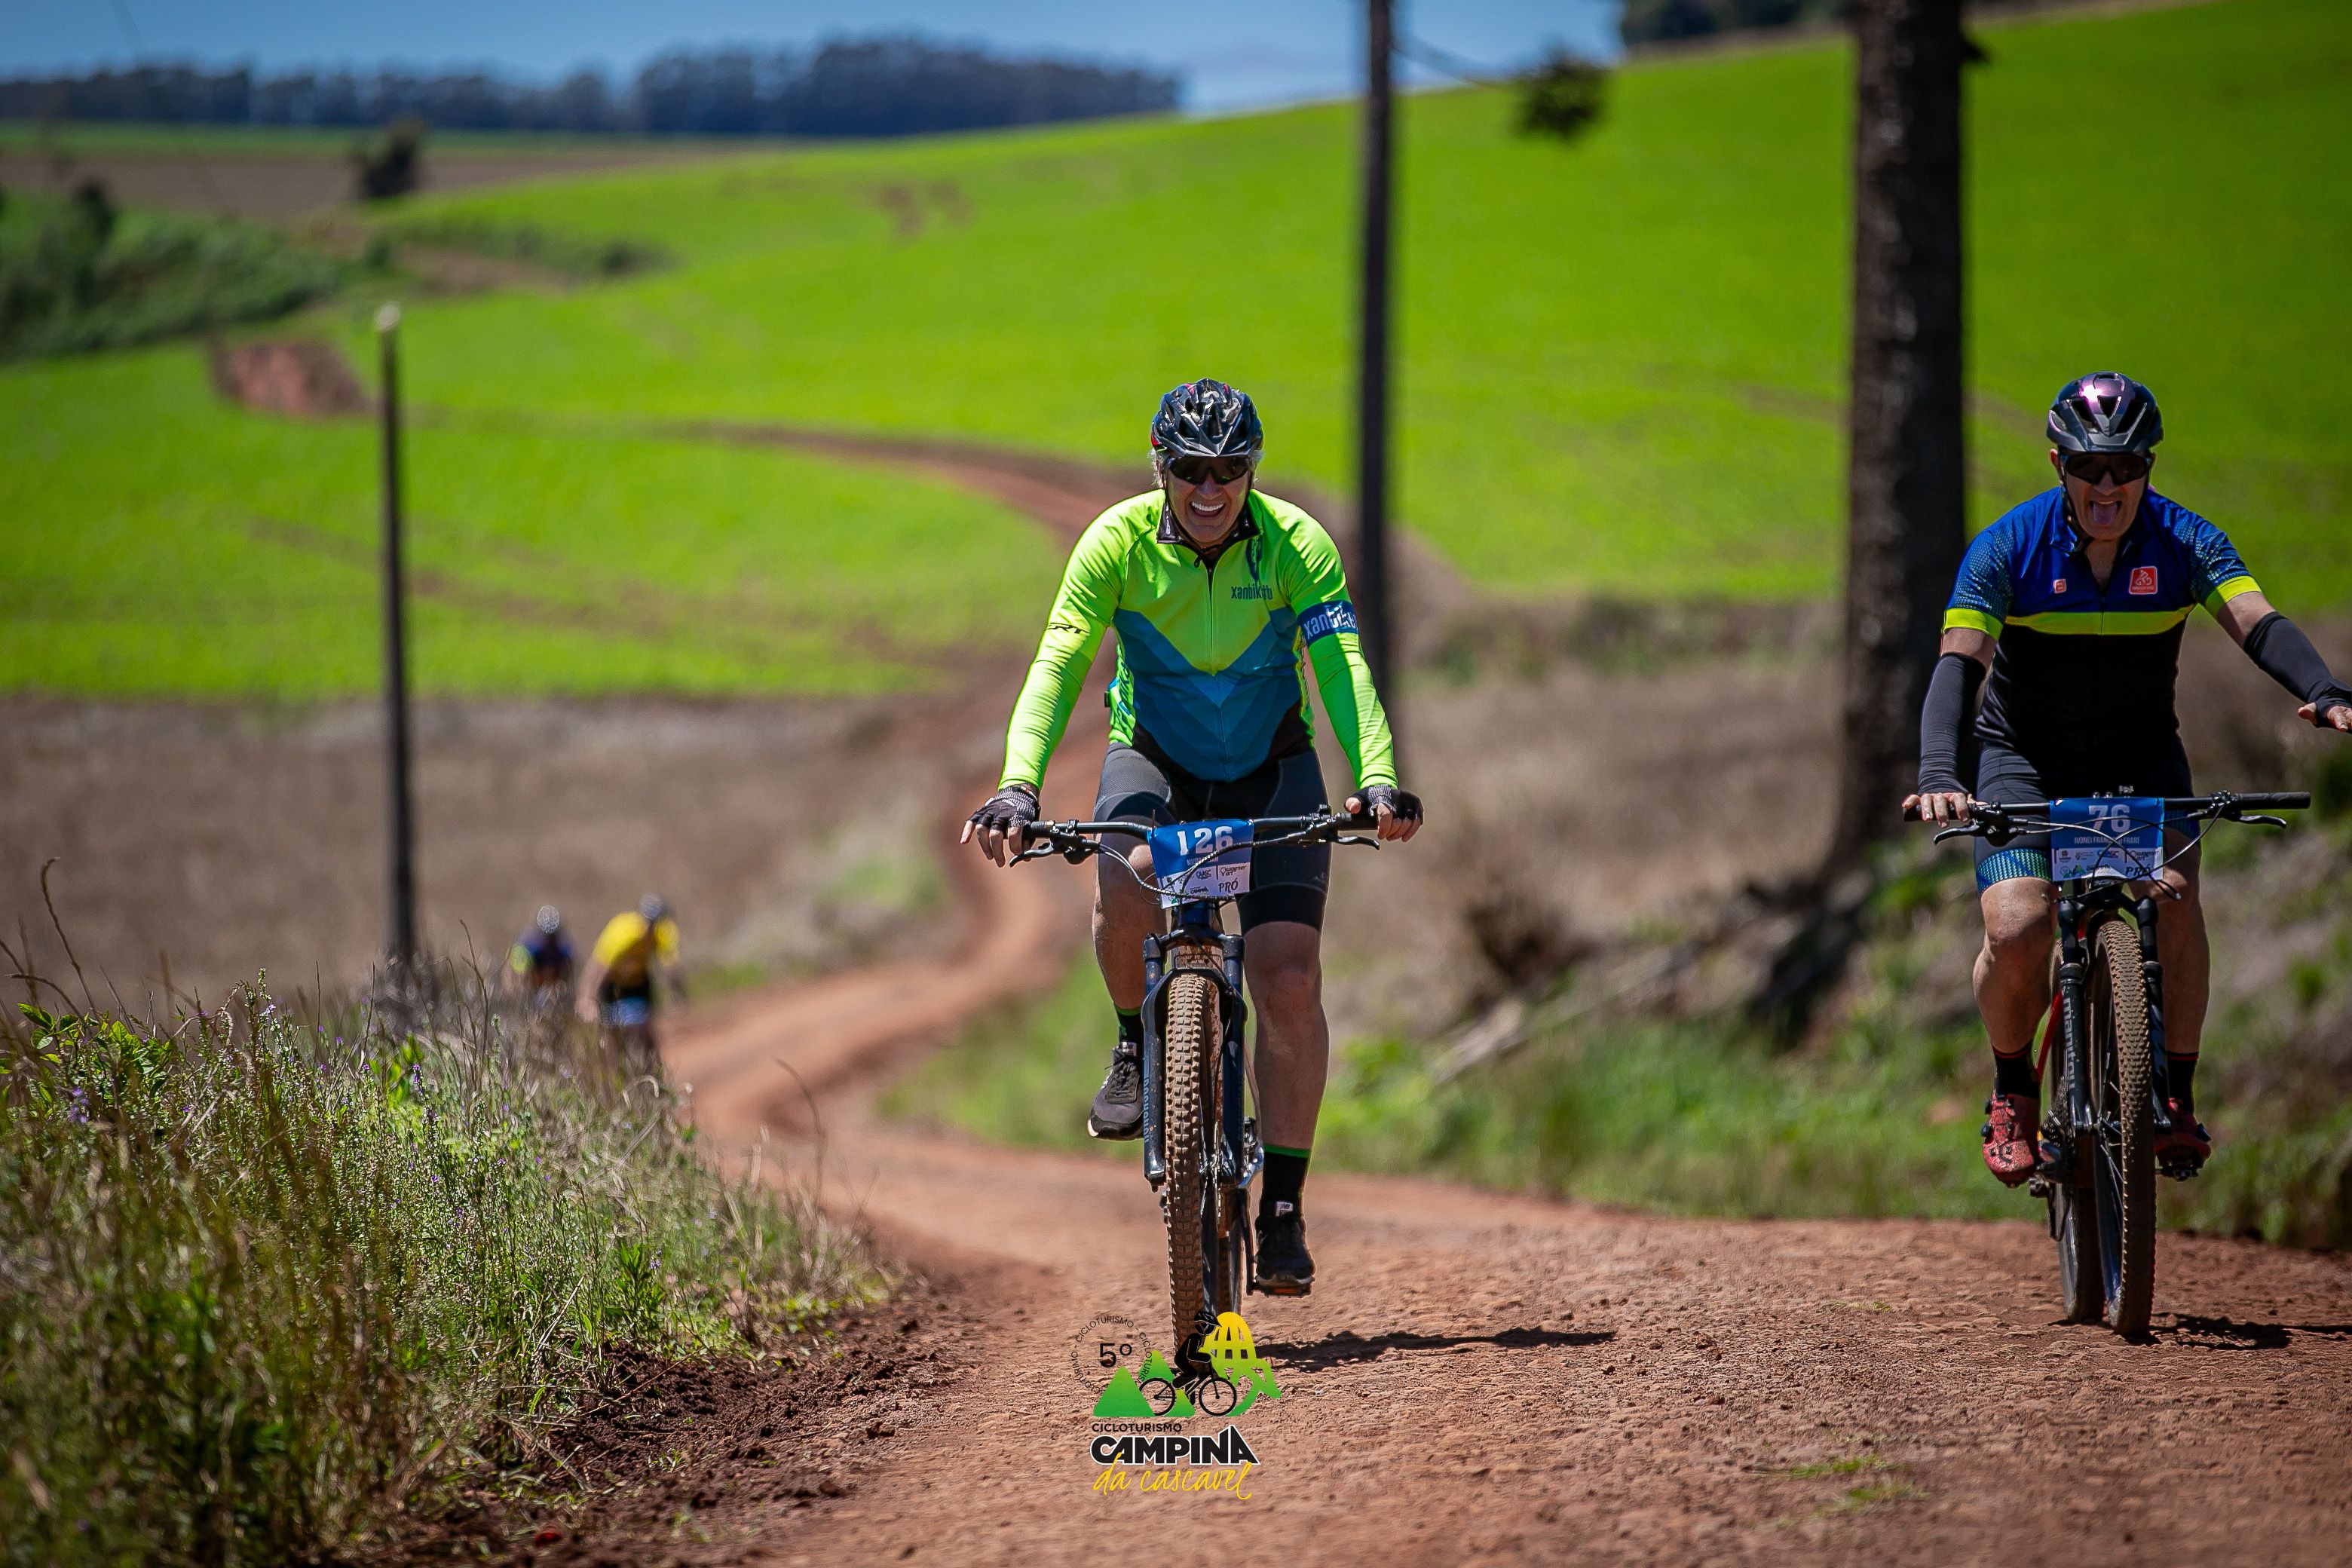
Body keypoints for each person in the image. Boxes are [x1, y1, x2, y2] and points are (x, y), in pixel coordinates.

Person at [962, 379, 1422, 1296]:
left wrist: (1376, 776)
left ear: (1251, 471)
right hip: (1156, 761)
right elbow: (1059, 661)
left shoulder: (1296, 544)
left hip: (1272, 767)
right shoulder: (1116, 543)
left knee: (1288, 978)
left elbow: (1340, 664)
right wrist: (1019, 783)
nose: (1209, 489)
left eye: (1229, 470)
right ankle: (1136, 1042)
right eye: (1189, 470)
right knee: (1126, 878)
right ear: (1160, 467)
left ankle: (1283, 1205)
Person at [1904, 372, 2352, 1185]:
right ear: (2058, 464)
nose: (2108, 486)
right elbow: (1957, 666)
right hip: (2022, 760)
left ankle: (2175, 1093)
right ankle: (2012, 1088)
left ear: (2149, 465)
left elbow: (2258, 623)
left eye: (2127, 466)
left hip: (2139, 757)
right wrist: (1941, 770)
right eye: (2089, 466)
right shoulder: (2007, 546)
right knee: (2018, 929)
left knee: (2176, 901)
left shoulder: (2186, 541)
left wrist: (2324, 689)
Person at [576, 895, 684, 1046]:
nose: (651, 930)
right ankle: (612, 1060)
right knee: (610, 1031)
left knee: (647, 1028)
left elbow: (672, 967)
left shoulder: (664, 933)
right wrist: (586, 998)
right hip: (613, 984)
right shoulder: (624, 934)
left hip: (639, 981)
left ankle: (652, 1059)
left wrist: (678, 996)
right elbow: (597, 968)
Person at [506, 904, 575, 1005]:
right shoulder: (526, 946)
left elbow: (569, 975)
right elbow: (514, 977)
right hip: (530, 989)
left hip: (553, 993)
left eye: (553, 937)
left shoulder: (564, 949)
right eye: (546, 937)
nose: (549, 941)